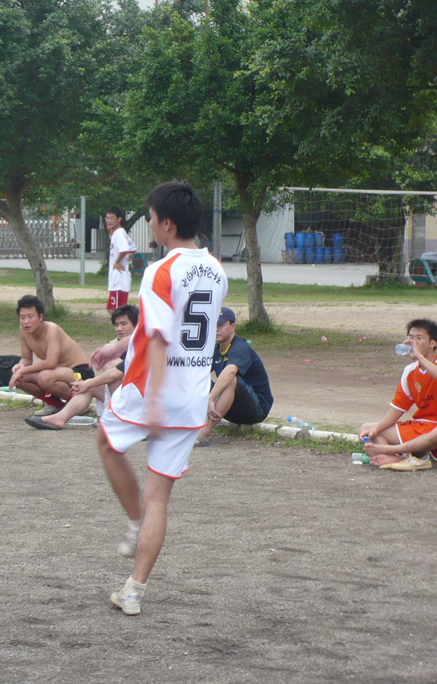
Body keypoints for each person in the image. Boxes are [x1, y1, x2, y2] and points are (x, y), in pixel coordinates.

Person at [91, 181, 226, 616]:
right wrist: (119, 345)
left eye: (150, 218)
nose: (149, 224)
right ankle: (134, 590)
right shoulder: (217, 269)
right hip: (191, 398)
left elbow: (160, 338)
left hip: (154, 389)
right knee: (159, 499)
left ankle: (134, 523)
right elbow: (173, 327)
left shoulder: (160, 271)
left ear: (167, 224)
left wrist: (151, 401)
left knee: (105, 441)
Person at [360, 319, 437, 470]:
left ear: (432, 343)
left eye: (419, 338)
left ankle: (388, 450)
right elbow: (398, 408)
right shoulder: (410, 371)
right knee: (366, 428)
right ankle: (400, 457)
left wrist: (420, 357)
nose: (413, 342)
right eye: (411, 337)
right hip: (421, 425)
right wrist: (376, 430)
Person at [26, 305, 138, 430]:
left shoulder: (143, 346)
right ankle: (59, 418)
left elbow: (116, 373)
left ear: (137, 325)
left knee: (107, 368)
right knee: (90, 386)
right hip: (128, 395)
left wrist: (88, 383)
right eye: (116, 325)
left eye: (124, 324)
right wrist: (88, 384)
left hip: (143, 401)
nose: (119, 329)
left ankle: (119, 419)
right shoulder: (113, 345)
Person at [194, 307, 274, 447]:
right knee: (194, 379)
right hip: (230, 408)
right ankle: (183, 425)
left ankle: (204, 434)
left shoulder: (240, 347)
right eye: (214, 325)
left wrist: (211, 398)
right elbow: (198, 372)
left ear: (233, 327)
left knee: (231, 379)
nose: (217, 330)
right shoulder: (216, 349)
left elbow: (231, 371)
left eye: (221, 325)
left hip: (256, 409)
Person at [8, 295, 94, 417]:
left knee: (45, 377)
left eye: (30, 317)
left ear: (41, 317)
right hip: (56, 372)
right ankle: (56, 405)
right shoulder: (23, 330)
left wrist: (22, 370)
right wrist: (20, 366)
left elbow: (51, 362)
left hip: (80, 372)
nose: (26, 321)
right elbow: (26, 358)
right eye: (22, 317)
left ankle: (79, 405)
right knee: (21, 379)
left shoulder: (51, 329)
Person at [105, 206, 137, 311]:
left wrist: (117, 262)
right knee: (114, 310)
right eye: (107, 218)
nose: (109, 221)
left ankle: (133, 321)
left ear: (119, 219)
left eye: (112, 218)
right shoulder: (119, 233)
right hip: (118, 280)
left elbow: (125, 249)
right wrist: (125, 259)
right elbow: (132, 249)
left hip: (119, 280)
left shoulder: (118, 233)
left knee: (115, 310)